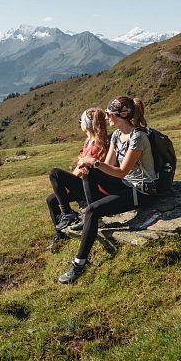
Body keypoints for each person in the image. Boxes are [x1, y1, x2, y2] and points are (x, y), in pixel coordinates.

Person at [57, 96, 157, 284]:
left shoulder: (138, 137)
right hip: (127, 184)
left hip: (142, 190)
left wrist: (94, 162)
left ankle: (79, 263)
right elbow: (108, 166)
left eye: (110, 114)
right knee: (89, 172)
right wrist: (91, 167)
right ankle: (96, 219)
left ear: (121, 115)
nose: (108, 117)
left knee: (93, 210)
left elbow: (120, 172)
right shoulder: (117, 136)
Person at [46, 107, 109, 251]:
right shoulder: (89, 142)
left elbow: (81, 170)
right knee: (51, 200)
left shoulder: (96, 144)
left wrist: (68, 183)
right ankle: (61, 234)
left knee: (55, 173)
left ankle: (67, 213)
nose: (79, 123)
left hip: (95, 190)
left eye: (81, 120)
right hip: (85, 184)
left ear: (87, 124)